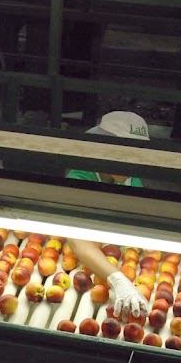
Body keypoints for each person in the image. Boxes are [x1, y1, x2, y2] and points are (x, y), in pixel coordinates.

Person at [64, 111, 151, 320]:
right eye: (127, 158)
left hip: (115, 253)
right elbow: (78, 241)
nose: (133, 166)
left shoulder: (128, 175)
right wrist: (118, 280)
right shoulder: (80, 178)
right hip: (85, 262)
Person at [66, 111, 150, 187]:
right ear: (104, 148)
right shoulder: (78, 180)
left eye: (138, 154)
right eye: (126, 153)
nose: (133, 161)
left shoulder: (130, 178)